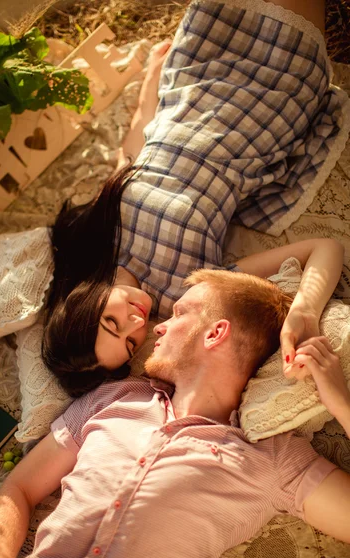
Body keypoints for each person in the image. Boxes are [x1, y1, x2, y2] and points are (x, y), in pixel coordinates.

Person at [0, 267, 350, 558]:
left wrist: (341, 405)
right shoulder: (111, 397)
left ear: (216, 333)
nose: (155, 327)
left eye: (177, 314)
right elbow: (19, 488)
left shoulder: (272, 460)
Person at [41, 0, 348, 398]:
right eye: (132, 344)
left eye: (112, 323)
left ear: (83, 302)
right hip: (261, 115)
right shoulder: (183, 294)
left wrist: (152, 83)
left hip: (190, 84)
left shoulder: (97, 235)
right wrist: (304, 310)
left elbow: (132, 156)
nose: (137, 324)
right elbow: (324, 248)